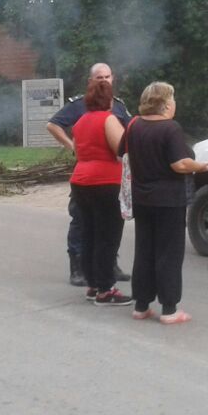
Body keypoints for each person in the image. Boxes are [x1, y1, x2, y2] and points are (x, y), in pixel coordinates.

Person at [119, 82, 208, 324]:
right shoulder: (170, 128)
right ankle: (169, 309)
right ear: (166, 103)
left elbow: (121, 154)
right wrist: (200, 166)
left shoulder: (133, 125)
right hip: (168, 199)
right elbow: (179, 164)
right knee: (168, 253)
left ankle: (141, 305)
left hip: (142, 197)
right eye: (173, 98)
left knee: (144, 250)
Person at [47, 63, 131, 286]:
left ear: (113, 78)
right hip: (96, 175)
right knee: (84, 222)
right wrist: (72, 146)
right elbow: (53, 125)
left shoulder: (119, 105)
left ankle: (108, 266)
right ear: (90, 81)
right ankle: (79, 268)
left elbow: (130, 130)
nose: (104, 81)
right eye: (99, 77)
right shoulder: (80, 105)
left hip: (102, 176)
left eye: (107, 77)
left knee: (105, 226)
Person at [68, 78, 132, 306]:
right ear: (109, 100)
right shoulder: (108, 119)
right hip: (105, 182)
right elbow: (121, 149)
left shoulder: (80, 122)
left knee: (89, 234)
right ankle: (106, 289)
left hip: (80, 181)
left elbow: (77, 152)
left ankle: (93, 284)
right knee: (108, 237)